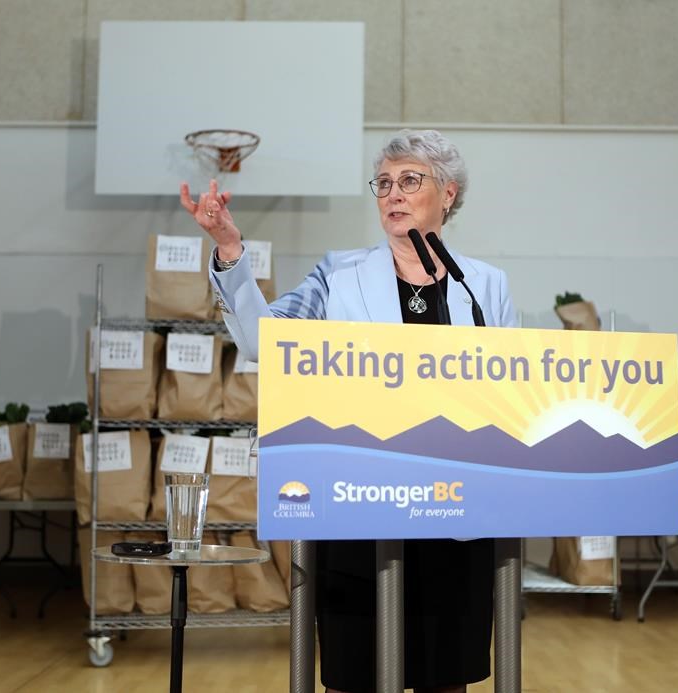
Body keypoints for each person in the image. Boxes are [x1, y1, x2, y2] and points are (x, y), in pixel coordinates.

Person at [180, 129, 518, 693]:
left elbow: (510, 387)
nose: (394, 194)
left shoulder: (485, 284)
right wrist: (230, 249)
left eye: (410, 180)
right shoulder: (339, 275)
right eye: (384, 183)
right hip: (359, 502)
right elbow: (267, 342)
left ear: (448, 193)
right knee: (356, 673)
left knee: (445, 675)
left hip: (454, 507)